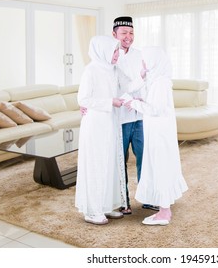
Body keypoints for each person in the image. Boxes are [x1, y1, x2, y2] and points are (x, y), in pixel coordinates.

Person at [124, 46, 188, 225]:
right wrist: (140, 101)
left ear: (153, 60)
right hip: (159, 130)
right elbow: (156, 104)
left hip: (159, 133)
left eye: (145, 60)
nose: (143, 63)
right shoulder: (159, 80)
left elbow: (156, 109)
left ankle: (164, 213)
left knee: (160, 167)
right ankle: (163, 209)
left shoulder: (160, 83)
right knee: (160, 166)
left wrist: (134, 103)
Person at [75, 35, 126, 225]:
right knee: (96, 164)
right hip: (95, 124)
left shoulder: (112, 69)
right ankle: (92, 210)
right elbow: (84, 99)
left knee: (109, 162)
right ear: (102, 51)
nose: (116, 54)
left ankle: (107, 204)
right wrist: (110, 102)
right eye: (113, 51)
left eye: (116, 51)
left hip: (110, 122)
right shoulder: (91, 70)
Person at [112, 16, 158, 214]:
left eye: (131, 33)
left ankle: (147, 198)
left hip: (139, 116)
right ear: (114, 34)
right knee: (120, 161)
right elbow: (115, 86)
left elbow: (147, 81)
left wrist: (142, 101)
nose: (128, 37)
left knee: (144, 157)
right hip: (120, 117)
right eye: (124, 33)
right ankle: (123, 201)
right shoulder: (110, 56)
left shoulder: (140, 54)